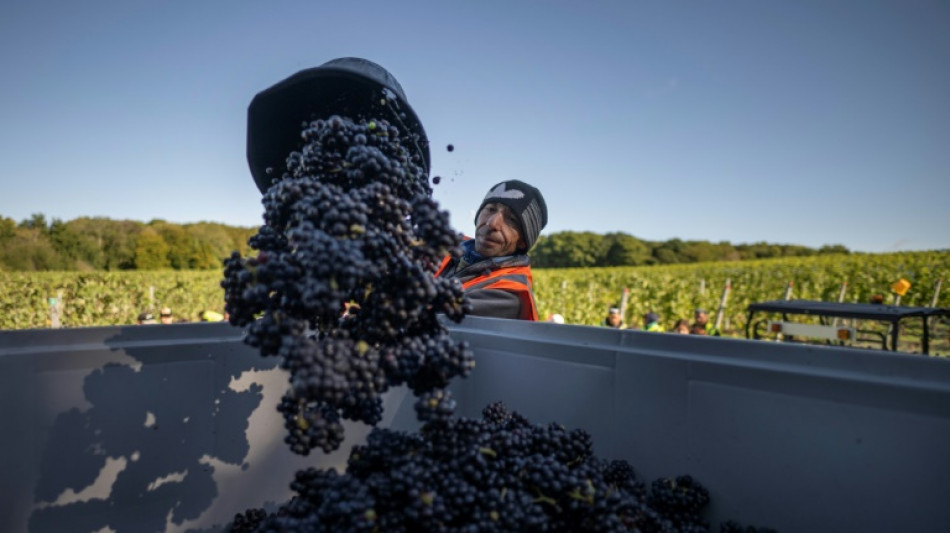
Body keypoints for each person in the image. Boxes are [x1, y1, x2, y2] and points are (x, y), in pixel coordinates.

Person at [434, 179, 548, 321]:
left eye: (511, 219)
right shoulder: (447, 248)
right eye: (491, 209)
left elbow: (430, 314)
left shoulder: (509, 295)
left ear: (523, 242)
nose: (492, 223)